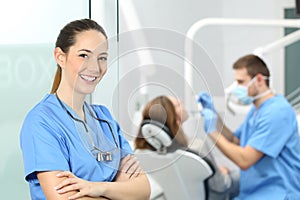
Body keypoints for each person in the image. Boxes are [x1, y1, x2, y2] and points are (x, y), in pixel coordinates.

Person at [20, 19, 150, 200]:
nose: (95, 67)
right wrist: (118, 190)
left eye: (102, 58)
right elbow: (64, 198)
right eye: (83, 55)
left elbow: (142, 190)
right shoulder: (41, 122)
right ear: (60, 57)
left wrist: (97, 188)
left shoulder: (104, 119)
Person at [198, 54, 300, 199]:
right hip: (255, 190)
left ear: (259, 80)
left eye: (241, 82)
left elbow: (244, 160)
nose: (236, 88)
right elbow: (235, 140)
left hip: (278, 193)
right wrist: (215, 118)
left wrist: (213, 133)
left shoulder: (277, 112)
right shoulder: (257, 109)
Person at [134, 95, 239, 200]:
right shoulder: (196, 148)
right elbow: (220, 188)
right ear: (176, 119)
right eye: (177, 104)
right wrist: (223, 174)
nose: (181, 101)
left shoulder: (146, 153)